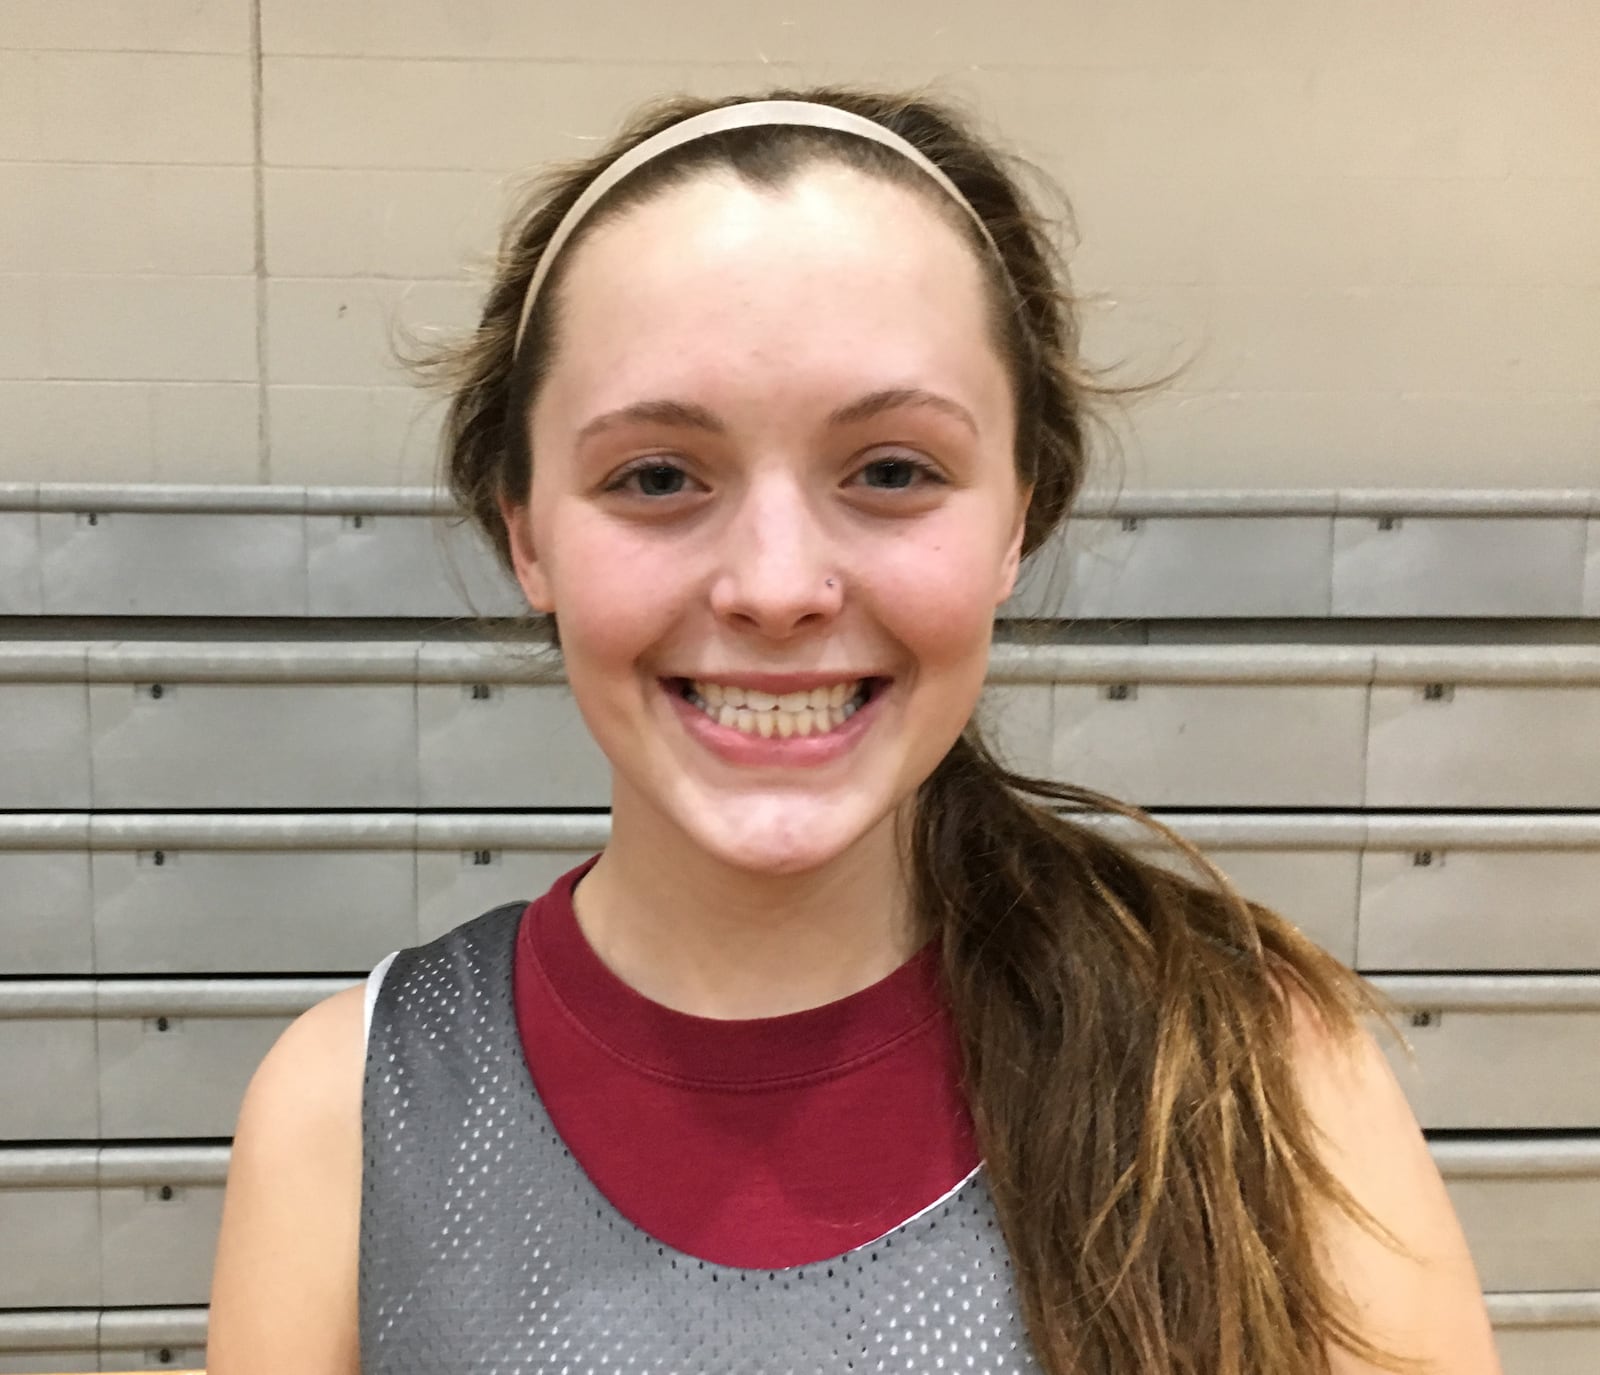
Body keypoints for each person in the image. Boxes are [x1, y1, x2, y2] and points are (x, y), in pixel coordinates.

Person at [207, 88, 1502, 1374]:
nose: (777, 585)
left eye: (892, 470)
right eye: (656, 476)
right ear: (528, 531)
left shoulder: (1261, 1083)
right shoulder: (346, 1115)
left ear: (1014, 520)